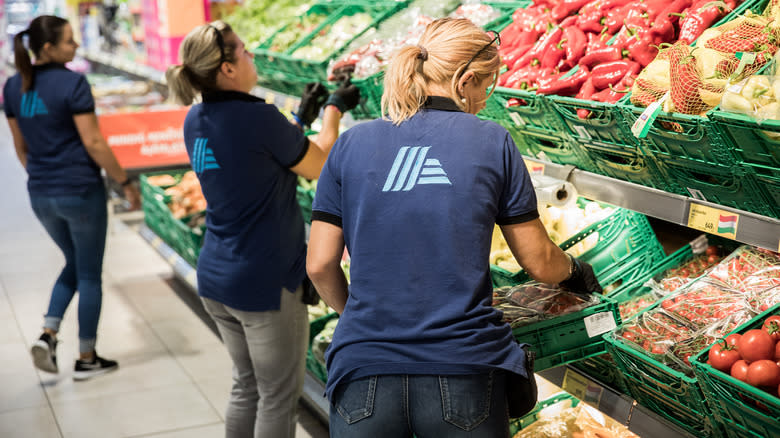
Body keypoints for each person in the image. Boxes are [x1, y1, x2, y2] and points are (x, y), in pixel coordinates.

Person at [306, 18, 602, 438]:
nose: (484, 99)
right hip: (463, 371)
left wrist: (362, 319)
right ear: (465, 80)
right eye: (486, 86)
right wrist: (575, 272)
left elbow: (319, 265)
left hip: (364, 371)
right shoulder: (492, 141)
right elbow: (538, 260)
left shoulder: (352, 143)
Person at [164, 20, 359, 438]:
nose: (252, 56)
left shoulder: (195, 118)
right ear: (228, 69)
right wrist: (333, 111)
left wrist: (297, 120)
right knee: (276, 397)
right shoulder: (258, 118)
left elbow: (252, 158)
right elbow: (319, 165)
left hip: (217, 275)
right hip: (264, 282)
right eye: (245, 51)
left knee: (246, 386)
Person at [3, 15, 141, 381]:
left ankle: (48, 334)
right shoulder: (73, 83)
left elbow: (20, 147)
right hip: (80, 190)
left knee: (75, 263)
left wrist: (44, 178)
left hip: (41, 194)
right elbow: (93, 142)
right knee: (90, 273)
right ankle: (86, 356)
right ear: (48, 48)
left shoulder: (14, 86)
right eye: (69, 41)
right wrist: (125, 181)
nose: (76, 46)